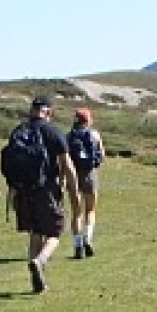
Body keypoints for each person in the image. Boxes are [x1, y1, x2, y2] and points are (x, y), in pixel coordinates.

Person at [4, 96, 72, 292]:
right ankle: (40, 260)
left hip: (22, 189)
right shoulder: (53, 132)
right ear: (48, 112)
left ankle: (36, 282)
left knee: (35, 232)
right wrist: (72, 189)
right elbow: (66, 165)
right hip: (46, 189)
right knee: (55, 231)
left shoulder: (19, 131)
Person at [65, 106, 105, 258]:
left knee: (76, 212)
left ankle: (77, 244)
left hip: (73, 176)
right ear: (88, 120)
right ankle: (88, 238)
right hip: (90, 175)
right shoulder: (94, 135)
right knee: (90, 210)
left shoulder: (69, 136)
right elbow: (102, 156)